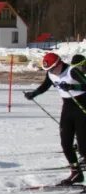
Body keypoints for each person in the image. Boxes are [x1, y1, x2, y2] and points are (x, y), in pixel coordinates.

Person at [24, 52, 86, 185]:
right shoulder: (51, 73)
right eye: (48, 70)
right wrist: (33, 94)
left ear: (59, 63)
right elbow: (45, 85)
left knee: (83, 148)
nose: (50, 72)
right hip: (68, 108)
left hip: (82, 107)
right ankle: (76, 173)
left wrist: (72, 86)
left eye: (52, 68)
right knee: (65, 143)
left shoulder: (72, 71)